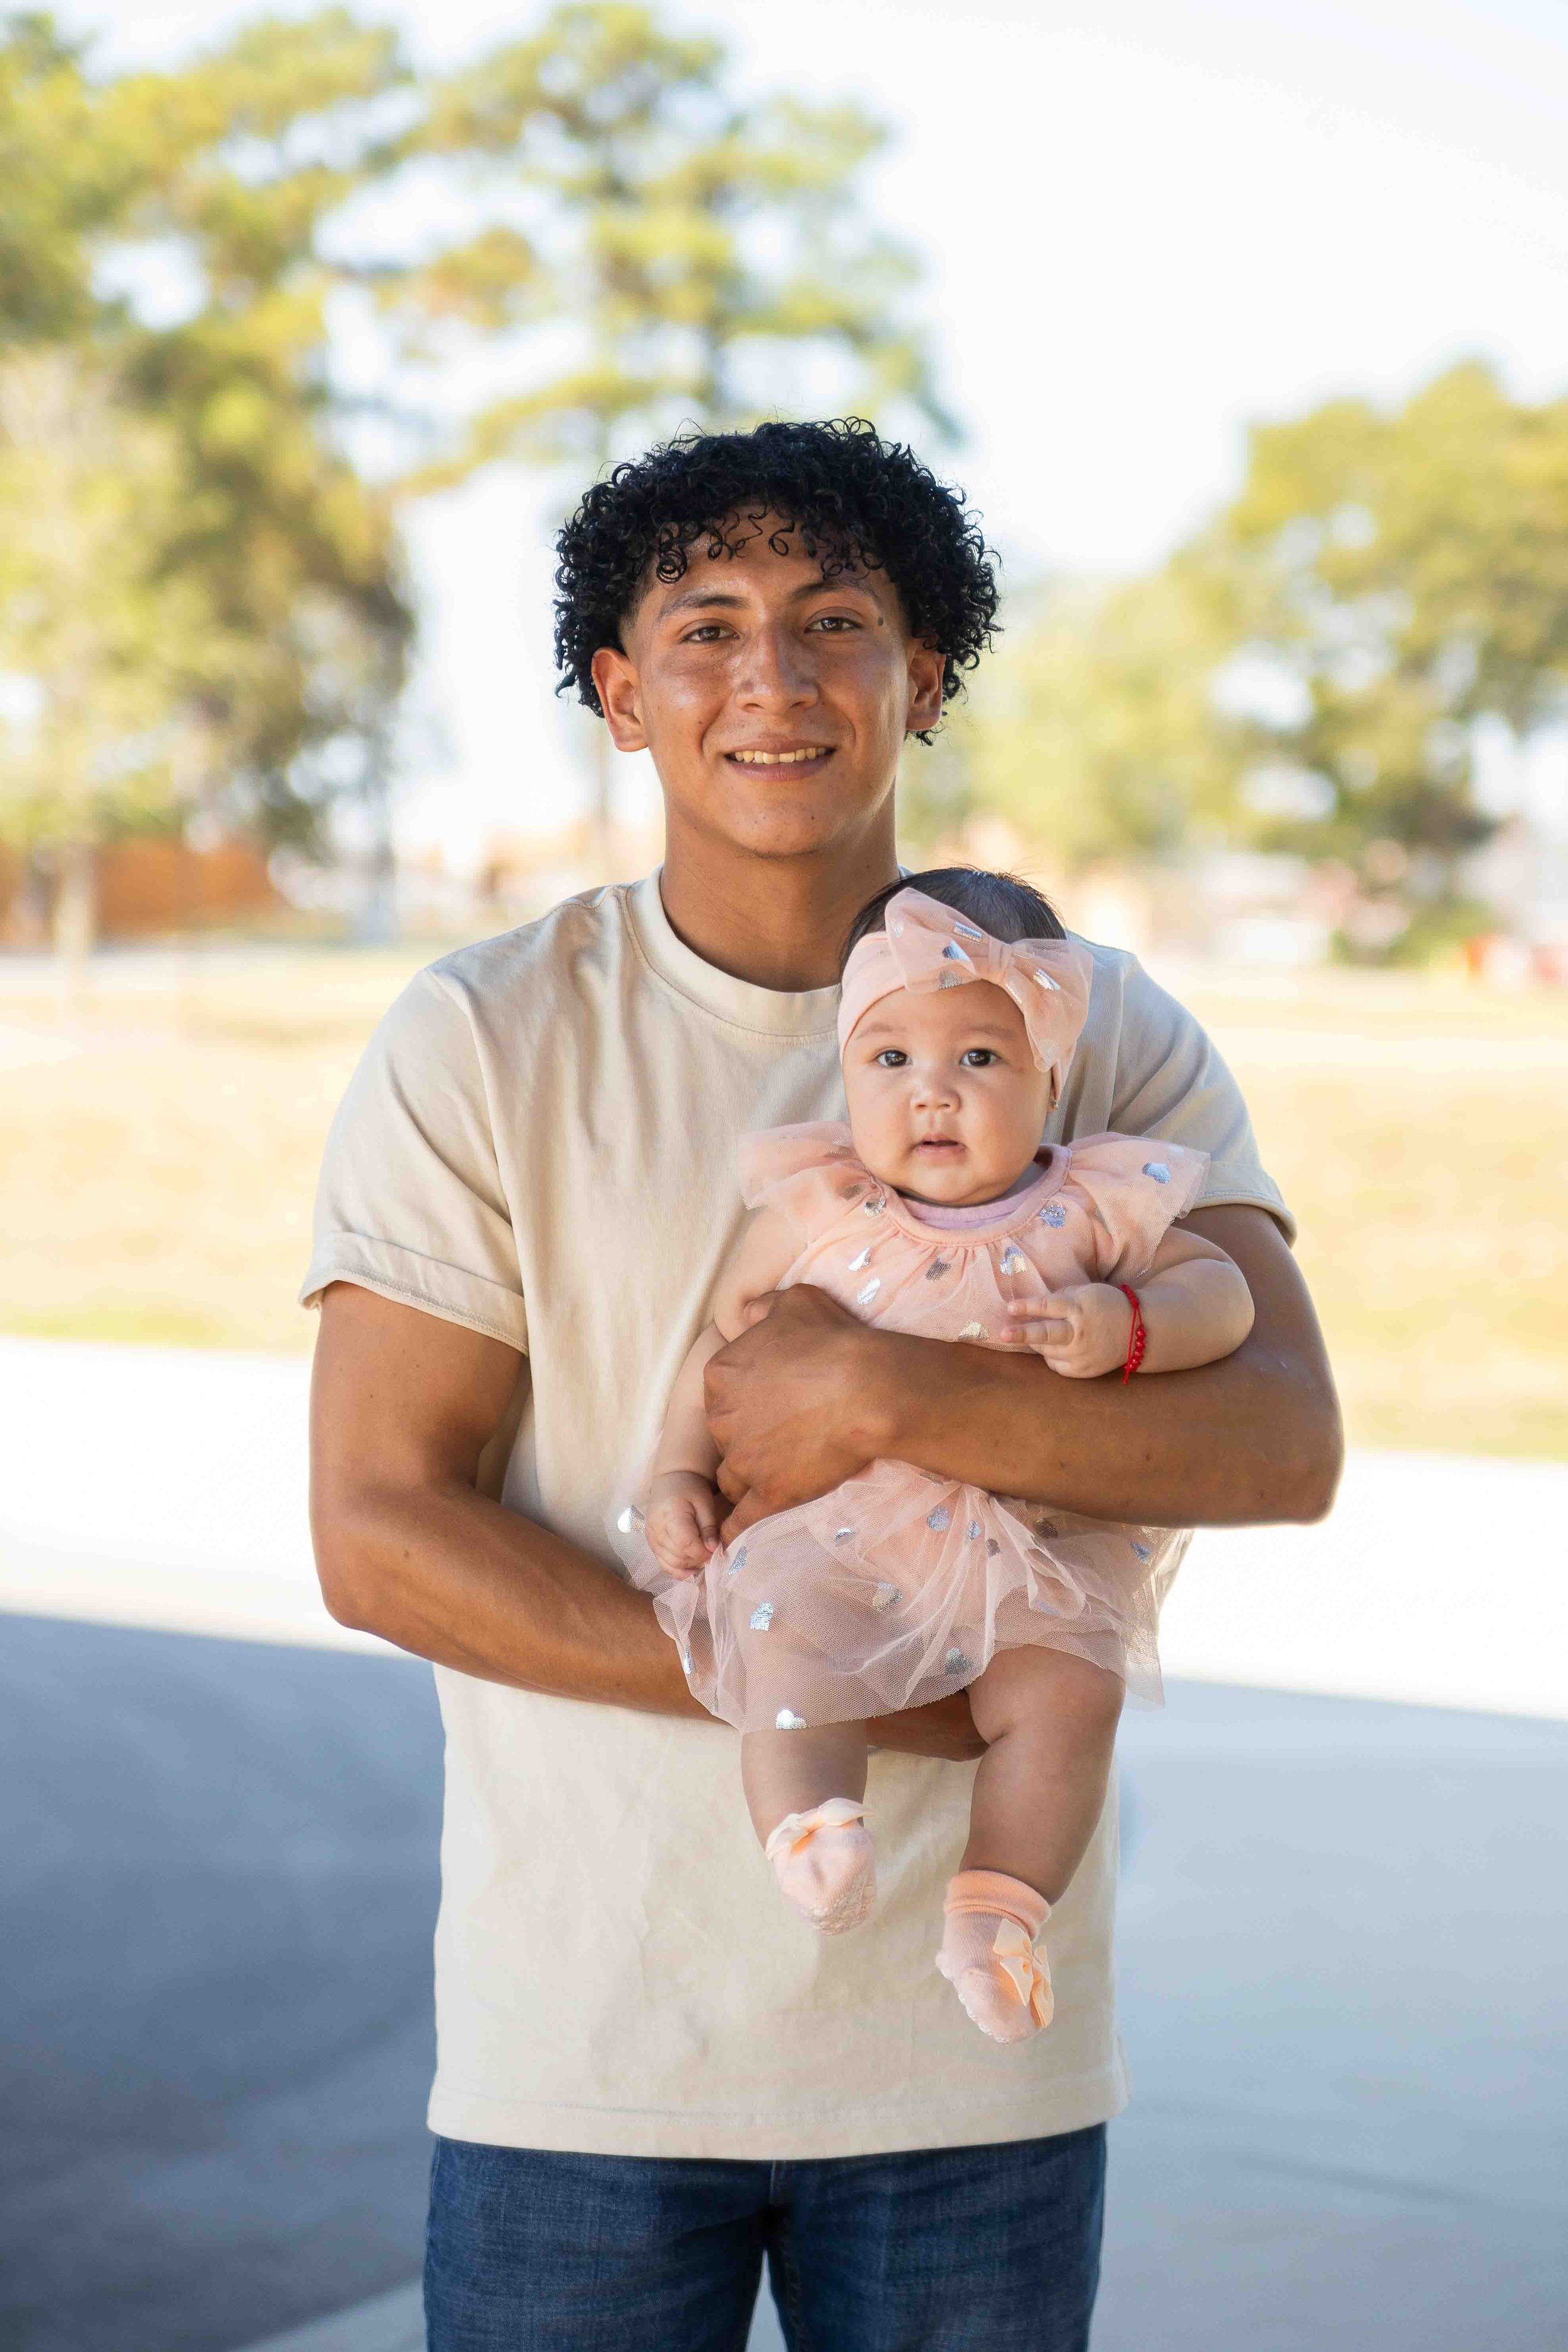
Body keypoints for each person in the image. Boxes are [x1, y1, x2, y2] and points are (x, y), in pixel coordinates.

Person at [304, 418, 1341, 2352]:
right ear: (619, 696)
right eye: (703, 625)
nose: (770, 676)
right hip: (585, 2054)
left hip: (973, 2070)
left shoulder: (1090, 1027)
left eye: (833, 617)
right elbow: (377, 1531)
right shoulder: (484, 1033)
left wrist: (884, 1395)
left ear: (922, 673)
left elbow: (1281, 1437)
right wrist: (860, 1684)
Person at [629, 869, 1256, 2043]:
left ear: (1049, 1078)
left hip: (1032, 1543)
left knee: (1069, 1696)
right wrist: (674, 1470)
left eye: (980, 1059)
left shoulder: (1097, 1200)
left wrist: (1130, 1327)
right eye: (891, 1061)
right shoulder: (820, 1204)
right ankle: (811, 1827)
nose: (933, 1094)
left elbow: (1220, 1296)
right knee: (779, 1637)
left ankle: (998, 1911)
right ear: (847, 1070)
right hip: (846, 1533)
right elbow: (724, 1343)